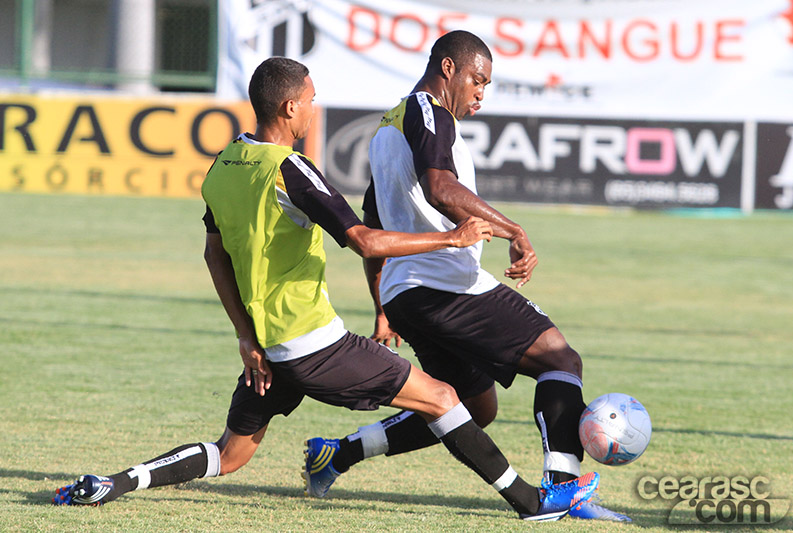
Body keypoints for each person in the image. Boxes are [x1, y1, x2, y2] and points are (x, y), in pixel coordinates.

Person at [52, 57, 598, 521]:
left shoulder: (221, 167)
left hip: (266, 349)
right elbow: (363, 239)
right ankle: (531, 502)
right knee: (444, 399)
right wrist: (450, 237)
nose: (313, 109)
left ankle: (115, 482)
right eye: (311, 100)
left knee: (230, 455)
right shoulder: (292, 169)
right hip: (316, 344)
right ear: (290, 109)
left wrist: (247, 337)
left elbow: (213, 255)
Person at [303, 31, 629, 522]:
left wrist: (382, 308)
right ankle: (565, 491)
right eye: (478, 80)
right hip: (446, 284)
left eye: (488, 84)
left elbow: (374, 230)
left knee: (471, 409)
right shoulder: (429, 111)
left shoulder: (387, 131)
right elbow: (440, 188)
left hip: (409, 297)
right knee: (559, 358)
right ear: (449, 68)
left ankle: (337, 454)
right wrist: (512, 228)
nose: (481, 92)